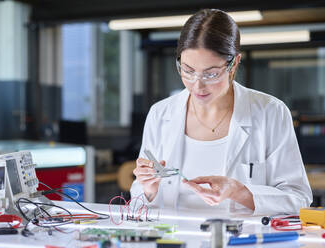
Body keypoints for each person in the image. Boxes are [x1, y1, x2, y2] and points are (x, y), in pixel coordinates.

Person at [130, 9, 312, 215]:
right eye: (188, 70)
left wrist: (239, 192)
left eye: (211, 74)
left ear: (234, 64)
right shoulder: (160, 113)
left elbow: (299, 199)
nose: (197, 85)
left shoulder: (271, 112)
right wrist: (148, 190)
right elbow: (138, 202)